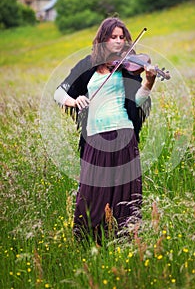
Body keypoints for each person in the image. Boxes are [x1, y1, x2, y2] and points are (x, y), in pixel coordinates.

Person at [54, 17, 157, 244]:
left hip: (124, 133)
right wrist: (75, 100)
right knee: (91, 192)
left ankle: (124, 241)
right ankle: (89, 243)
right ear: (103, 39)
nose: (119, 42)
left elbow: (137, 101)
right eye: (113, 37)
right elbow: (59, 93)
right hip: (95, 138)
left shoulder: (128, 67)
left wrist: (148, 82)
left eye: (122, 37)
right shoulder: (86, 65)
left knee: (124, 192)